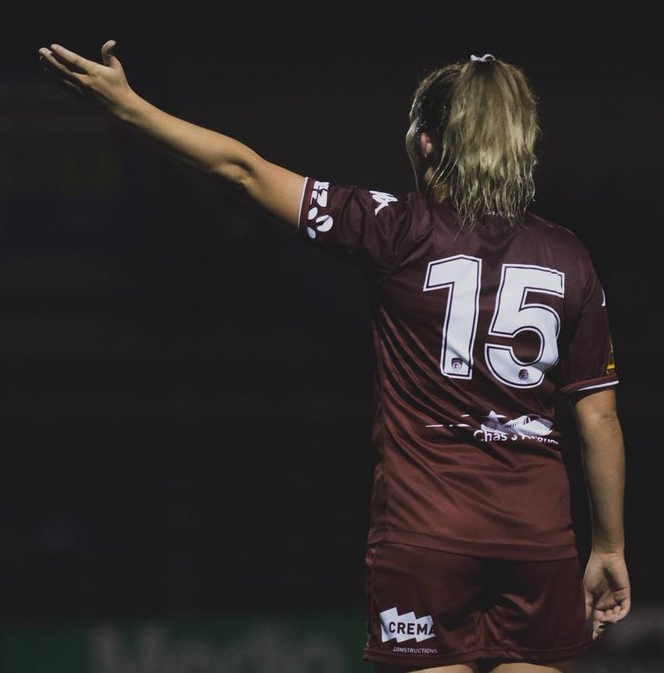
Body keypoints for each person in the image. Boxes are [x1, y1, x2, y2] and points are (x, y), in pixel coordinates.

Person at [39, 40, 630, 673]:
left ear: (428, 142)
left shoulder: (391, 228)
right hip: (536, 539)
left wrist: (130, 109)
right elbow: (597, 419)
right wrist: (609, 546)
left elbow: (241, 169)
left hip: (425, 532)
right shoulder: (569, 256)